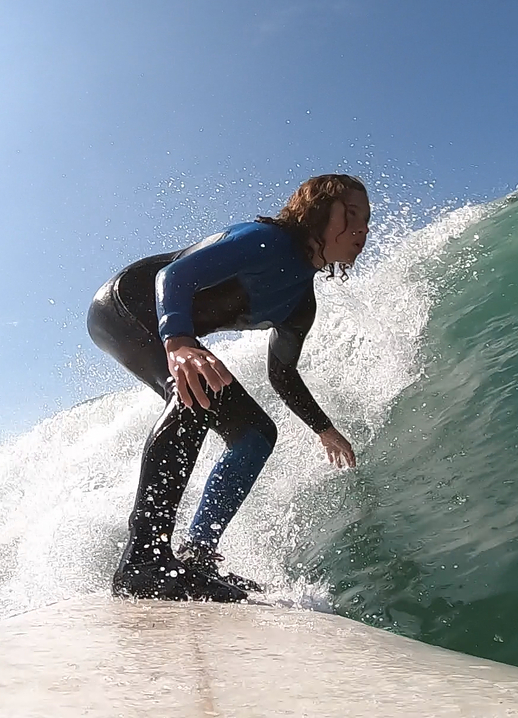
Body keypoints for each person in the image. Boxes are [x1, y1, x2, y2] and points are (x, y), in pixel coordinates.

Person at [87, 174, 369, 602]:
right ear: (316, 212)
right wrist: (178, 341)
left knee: (256, 434)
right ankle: (144, 559)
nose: (361, 229)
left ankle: (198, 555)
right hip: (126, 304)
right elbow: (174, 276)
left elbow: (283, 373)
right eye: (350, 214)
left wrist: (324, 429)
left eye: (366, 221)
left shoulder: (300, 304)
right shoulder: (265, 241)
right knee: (194, 388)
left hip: (170, 328)